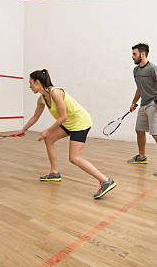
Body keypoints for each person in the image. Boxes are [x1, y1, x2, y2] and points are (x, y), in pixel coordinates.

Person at [19, 69, 117, 199]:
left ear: (38, 82)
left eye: (31, 83)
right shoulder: (42, 99)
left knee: (74, 158)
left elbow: (63, 116)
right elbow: (35, 117)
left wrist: (47, 130)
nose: (29, 86)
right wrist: (23, 130)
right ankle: (54, 173)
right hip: (69, 123)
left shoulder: (56, 93)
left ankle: (105, 180)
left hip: (80, 122)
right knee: (49, 140)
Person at [127, 43, 157, 176]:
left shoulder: (153, 69)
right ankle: (141, 156)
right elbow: (139, 88)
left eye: (134, 54)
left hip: (155, 103)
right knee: (139, 130)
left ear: (143, 54)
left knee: (156, 134)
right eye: (132, 54)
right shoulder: (136, 71)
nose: (132, 57)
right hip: (144, 103)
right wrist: (134, 102)